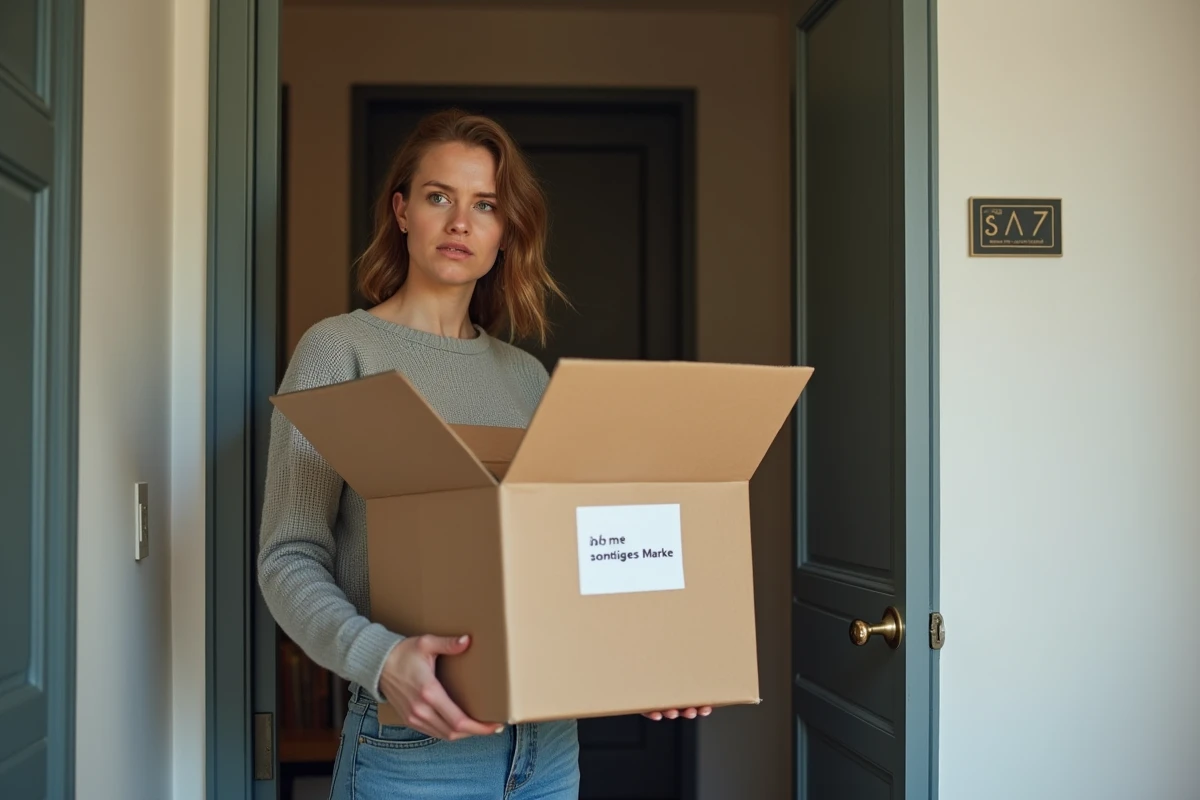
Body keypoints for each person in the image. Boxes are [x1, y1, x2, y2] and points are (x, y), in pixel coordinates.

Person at [257, 108, 710, 800]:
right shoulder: (339, 351)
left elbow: (564, 564)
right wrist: (381, 662)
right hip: (413, 746)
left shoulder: (525, 378)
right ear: (402, 211)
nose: (460, 222)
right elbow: (288, 556)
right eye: (439, 197)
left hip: (548, 751)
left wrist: (640, 660)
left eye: (486, 205)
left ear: (506, 234)